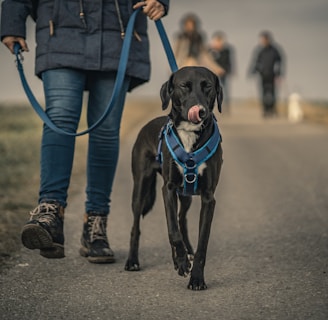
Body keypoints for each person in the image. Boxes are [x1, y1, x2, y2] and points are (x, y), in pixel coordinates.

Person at [0, 0, 169, 263]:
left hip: (118, 33)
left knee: (106, 130)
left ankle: (96, 224)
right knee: (60, 118)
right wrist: (12, 21)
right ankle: (50, 214)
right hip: (60, 30)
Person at [249, 31, 284, 117]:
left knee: (272, 93)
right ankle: (265, 110)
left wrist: (279, 73)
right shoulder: (259, 50)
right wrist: (253, 70)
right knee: (263, 93)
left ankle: (272, 109)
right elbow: (256, 61)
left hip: (272, 75)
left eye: (264, 39)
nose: (262, 41)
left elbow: (279, 61)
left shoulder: (275, 50)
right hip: (262, 75)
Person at [209, 31, 235, 111]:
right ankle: (212, 107)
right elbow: (208, 61)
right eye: (217, 40)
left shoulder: (226, 50)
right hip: (213, 74)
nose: (219, 43)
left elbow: (230, 62)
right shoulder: (210, 50)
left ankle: (225, 108)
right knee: (211, 91)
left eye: (220, 41)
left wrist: (229, 71)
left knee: (224, 90)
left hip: (224, 74)